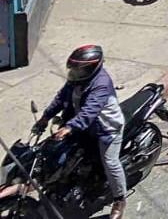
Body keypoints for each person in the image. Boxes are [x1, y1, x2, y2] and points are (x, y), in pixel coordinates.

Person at [33, 44, 127, 219]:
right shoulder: (77, 79)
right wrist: (45, 117)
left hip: (106, 130)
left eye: (80, 71)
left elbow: (89, 112)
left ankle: (119, 200)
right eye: (74, 70)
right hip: (84, 127)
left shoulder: (101, 84)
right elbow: (61, 98)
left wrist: (69, 127)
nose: (75, 74)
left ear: (92, 69)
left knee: (110, 162)